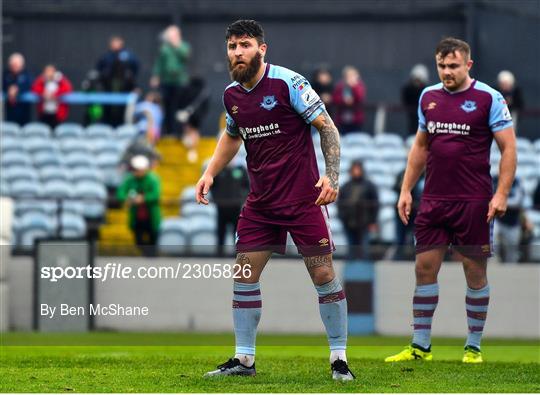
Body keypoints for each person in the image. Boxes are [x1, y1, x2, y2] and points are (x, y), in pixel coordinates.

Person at [196, 20, 355, 381]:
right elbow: (232, 136)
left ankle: (339, 359)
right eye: (233, 46)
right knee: (243, 272)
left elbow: (327, 127)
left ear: (261, 49)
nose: (238, 52)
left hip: (303, 200)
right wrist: (209, 172)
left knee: (323, 273)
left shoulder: (289, 83)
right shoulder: (231, 95)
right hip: (261, 203)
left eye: (245, 45)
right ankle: (244, 360)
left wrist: (332, 176)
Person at [385, 37, 516, 364]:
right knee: (423, 268)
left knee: (474, 272)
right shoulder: (428, 97)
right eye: (442, 66)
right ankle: (420, 346)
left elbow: (508, 149)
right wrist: (405, 189)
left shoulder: (489, 98)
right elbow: (420, 147)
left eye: (453, 66)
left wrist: (501, 194)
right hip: (433, 200)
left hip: (473, 201)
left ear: (468, 65)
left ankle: (473, 347)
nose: (447, 72)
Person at [150, 25, 191, 137]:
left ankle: (179, 132)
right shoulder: (164, 48)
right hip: (167, 82)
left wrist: (177, 46)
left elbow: (185, 57)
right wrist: (156, 76)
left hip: (179, 83)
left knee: (178, 108)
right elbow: (159, 63)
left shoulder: (183, 46)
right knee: (167, 107)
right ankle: (168, 132)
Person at [117, 155, 161, 257]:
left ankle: (152, 259)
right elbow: (121, 193)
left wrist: (143, 199)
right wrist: (127, 199)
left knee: (153, 240)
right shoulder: (129, 179)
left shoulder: (153, 179)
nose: (138, 172)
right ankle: (147, 256)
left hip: (151, 216)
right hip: (136, 216)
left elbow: (155, 194)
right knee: (138, 241)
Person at [337, 161, 379, 260]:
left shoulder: (369, 186)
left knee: (364, 249)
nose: (356, 172)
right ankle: (350, 272)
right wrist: (342, 218)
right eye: (354, 169)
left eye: (358, 169)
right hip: (349, 223)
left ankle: (365, 271)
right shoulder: (346, 186)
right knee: (351, 248)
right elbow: (340, 204)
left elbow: (375, 204)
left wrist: (373, 221)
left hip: (365, 223)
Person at [96, 35, 140, 126]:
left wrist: (134, 85)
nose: (115, 45)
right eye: (113, 43)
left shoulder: (128, 56)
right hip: (108, 89)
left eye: (117, 42)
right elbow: (99, 69)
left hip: (124, 88)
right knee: (107, 110)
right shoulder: (106, 56)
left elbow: (135, 68)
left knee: (124, 111)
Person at [211, 156, 249, 256]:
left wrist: (242, 198)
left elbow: (247, 186)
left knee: (236, 232)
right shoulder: (218, 171)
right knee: (220, 231)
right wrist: (217, 199)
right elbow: (212, 187)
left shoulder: (240, 170)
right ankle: (219, 254)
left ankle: (237, 254)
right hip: (221, 207)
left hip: (236, 207)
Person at [493, 176, 524, 263]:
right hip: (497, 220)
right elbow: (489, 198)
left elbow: (517, 201)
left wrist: (501, 201)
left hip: (513, 222)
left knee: (512, 253)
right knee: (493, 237)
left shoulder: (516, 182)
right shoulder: (494, 180)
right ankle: (494, 262)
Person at [31, 64, 73, 128]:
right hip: (44, 113)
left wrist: (54, 95)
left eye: (51, 71)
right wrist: (43, 93)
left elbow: (68, 88)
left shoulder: (60, 81)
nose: (49, 73)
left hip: (57, 114)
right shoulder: (41, 81)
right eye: (47, 71)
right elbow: (34, 88)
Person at [332, 65, 366, 134]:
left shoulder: (359, 86)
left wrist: (354, 87)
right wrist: (343, 100)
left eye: (353, 76)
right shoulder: (340, 86)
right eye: (348, 76)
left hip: (355, 120)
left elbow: (360, 97)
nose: (350, 78)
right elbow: (335, 99)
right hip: (341, 120)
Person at [2, 53, 33, 126]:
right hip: (10, 110)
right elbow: (3, 85)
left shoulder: (27, 74)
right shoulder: (5, 74)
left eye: (16, 65)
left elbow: (30, 85)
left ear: (21, 65)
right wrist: (8, 89)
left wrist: (17, 89)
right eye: (13, 65)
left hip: (24, 110)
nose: (14, 66)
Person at [402, 64, 429, 135]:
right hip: (412, 118)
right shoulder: (407, 90)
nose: (417, 82)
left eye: (418, 80)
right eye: (415, 79)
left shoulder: (426, 92)